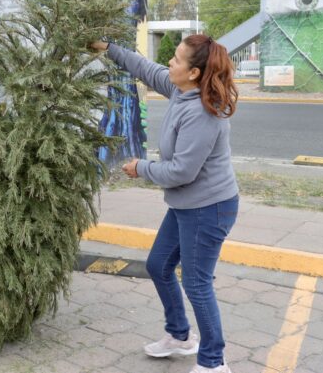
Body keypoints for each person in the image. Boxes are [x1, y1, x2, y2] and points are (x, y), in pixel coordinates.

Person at [90, 35, 239, 373]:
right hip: (188, 205)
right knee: (158, 266)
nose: (169, 63)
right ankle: (180, 336)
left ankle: (214, 362)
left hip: (209, 207)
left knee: (197, 282)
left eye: (176, 59)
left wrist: (141, 168)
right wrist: (107, 48)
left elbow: (182, 172)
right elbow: (145, 68)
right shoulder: (181, 90)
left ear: (195, 72)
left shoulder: (204, 112)